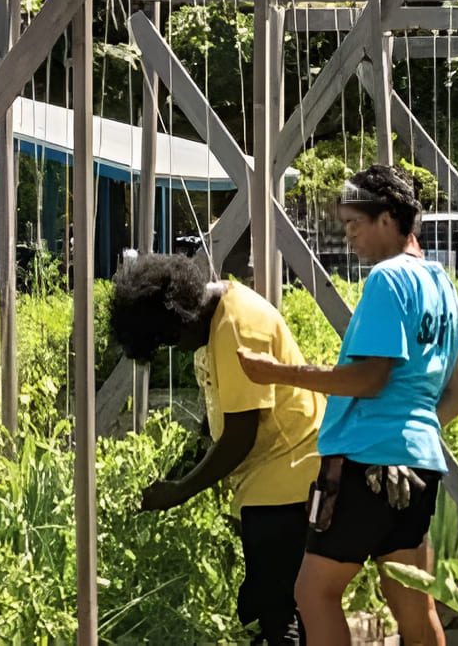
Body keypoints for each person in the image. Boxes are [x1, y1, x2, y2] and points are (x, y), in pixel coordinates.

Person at [237, 164, 458, 646]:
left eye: (354, 224)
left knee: (313, 593)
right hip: (419, 464)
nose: (349, 237)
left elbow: (370, 377)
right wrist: (408, 436)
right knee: (411, 600)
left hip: (366, 463)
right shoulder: (442, 285)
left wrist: (278, 372)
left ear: (387, 217)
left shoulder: (388, 280)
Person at [108, 253, 324, 646]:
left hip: (289, 477)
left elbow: (241, 434)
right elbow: (218, 420)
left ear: (181, 317)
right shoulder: (215, 319)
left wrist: (179, 491)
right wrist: (181, 468)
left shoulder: (238, 329)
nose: (175, 347)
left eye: (170, 339)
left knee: (276, 611)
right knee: (267, 604)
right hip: (270, 479)